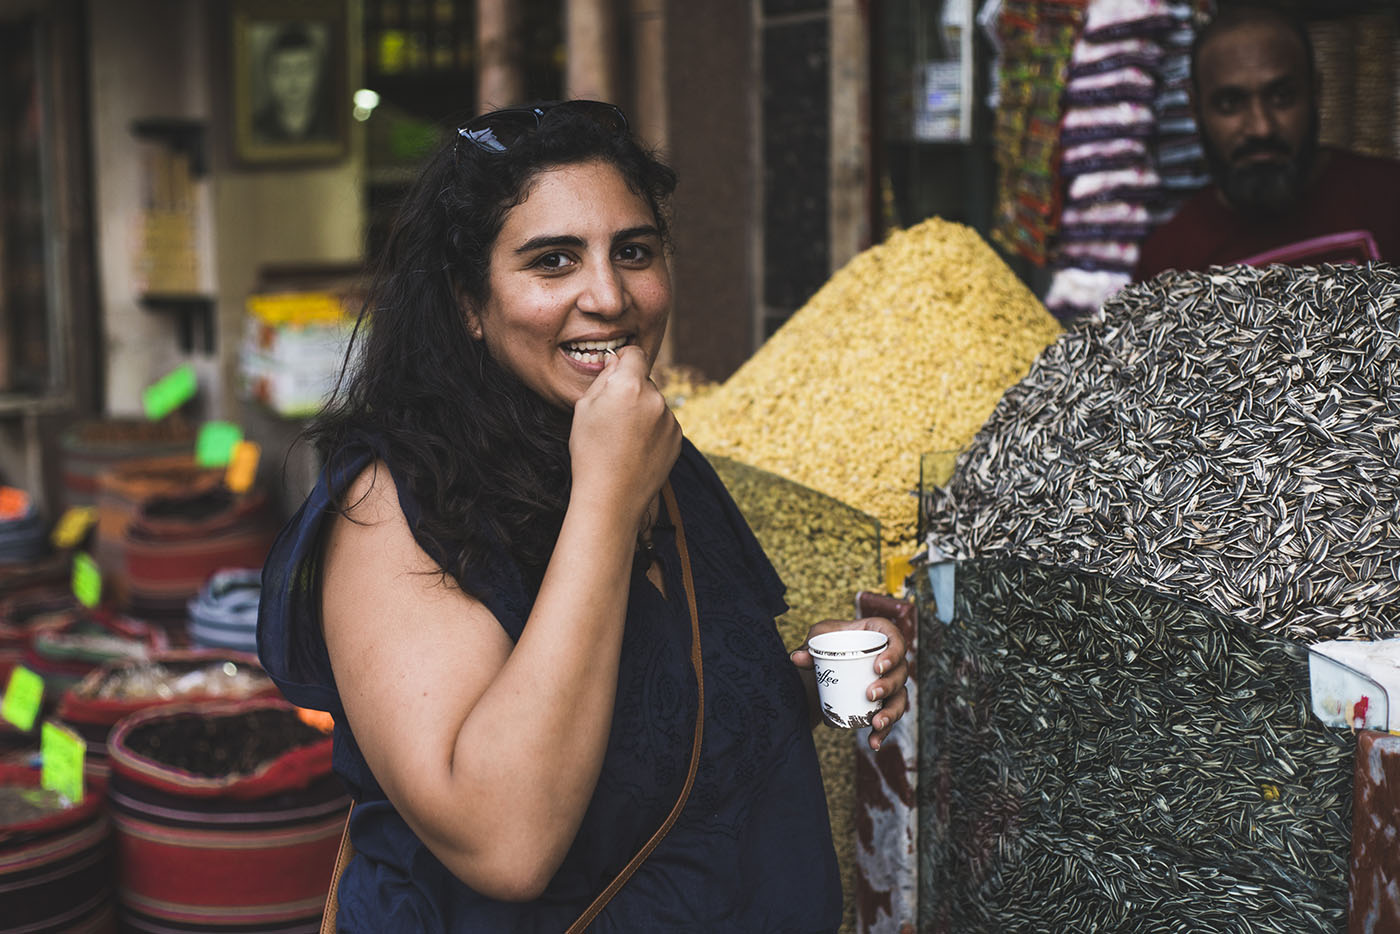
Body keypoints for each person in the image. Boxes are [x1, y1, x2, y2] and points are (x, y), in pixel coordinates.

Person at [256, 99, 909, 932]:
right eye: (552, 262)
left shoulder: (651, 455)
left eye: (632, 252)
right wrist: (606, 497)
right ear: (469, 302)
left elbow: (654, 714)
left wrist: (814, 682)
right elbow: (503, 843)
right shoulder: (395, 504)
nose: (609, 296)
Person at [1133, 3, 1400, 282]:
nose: (1261, 128)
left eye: (1282, 97)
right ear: (1196, 111)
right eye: (1229, 104)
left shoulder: (1390, 200)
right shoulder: (1167, 263)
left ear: (1316, 93)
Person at [251, 24, 332, 143]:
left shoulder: (334, 124)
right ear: (267, 75)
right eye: (284, 69)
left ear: (319, 72)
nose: (294, 80)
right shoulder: (253, 130)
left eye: (303, 68)